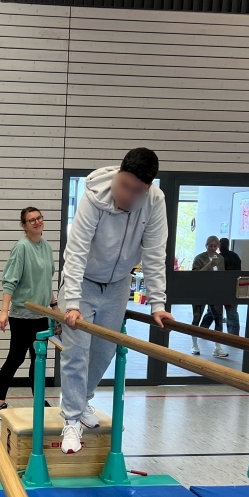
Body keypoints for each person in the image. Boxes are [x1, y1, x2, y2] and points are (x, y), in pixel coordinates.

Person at [59, 148, 170, 454]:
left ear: (147, 188)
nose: (127, 195)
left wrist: (158, 304)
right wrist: (72, 303)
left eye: (137, 190)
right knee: (77, 351)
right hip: (83, 281)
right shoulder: (95, 195)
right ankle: (71, 419)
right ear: (118, 175)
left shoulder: (155, 202)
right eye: (124, 186)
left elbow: (154, 254)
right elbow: (77, 250)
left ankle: (83, 401)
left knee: (104, 352)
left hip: (118, 284)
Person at [0, 207, 59, 419]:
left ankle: (38, 399)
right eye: (31, 220)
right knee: (16, 358)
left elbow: (45, 282)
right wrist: (4, 311)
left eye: (39, 218)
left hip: (42, 315)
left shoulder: (46, 247)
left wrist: (55, 308)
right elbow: (9, 281)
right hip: (22, 316)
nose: (37, 222)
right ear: (24, 225)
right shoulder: (21, 248)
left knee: (38, 359)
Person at [191, 236, 229, 358]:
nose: (213, 248)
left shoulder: (220, 259)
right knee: (196, 318)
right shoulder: (199, 258)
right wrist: (208, 266)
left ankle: (218, 347)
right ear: (206, 246)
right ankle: (194, 345)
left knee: (218, 319)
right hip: (200, 292)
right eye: (210, 246)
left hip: (215, 292)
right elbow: (194, 276)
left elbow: (222, 274)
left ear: (218, 246)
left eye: (215, 246)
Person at [219, 237, 242, 337]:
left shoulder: (218, 257)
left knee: (213, 313)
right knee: (232, 313)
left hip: (220, 288)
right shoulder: (235, 256)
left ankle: (203, 331)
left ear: (219, 246)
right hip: (233, 288)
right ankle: (234, 336)